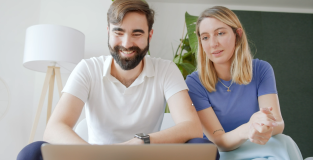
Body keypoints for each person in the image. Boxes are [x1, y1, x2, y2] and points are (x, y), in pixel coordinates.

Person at [17, 0, 204, 159]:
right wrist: (95, 155)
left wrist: (142, 141)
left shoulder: (166, 70)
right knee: (32, 152)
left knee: (199, 146)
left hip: (144, 155)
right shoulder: (88, 69)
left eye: (137, 34)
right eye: (118, 32)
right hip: (93, 157)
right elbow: (55, 128)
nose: (126, 43)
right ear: (108, 32)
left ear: (150, 35)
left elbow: (192, 127)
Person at [185, 6, 297, 159]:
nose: (213, 44)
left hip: (258, 145)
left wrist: (263, 127)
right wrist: (248, 128)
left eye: (220, 33)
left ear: (237, 34)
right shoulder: (194, 83)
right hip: (223, 153)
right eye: (205, 37)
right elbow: (219, 140)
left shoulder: (261, 69)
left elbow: (277, 122)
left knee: (283, 141)